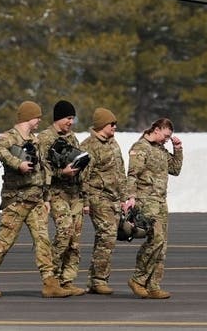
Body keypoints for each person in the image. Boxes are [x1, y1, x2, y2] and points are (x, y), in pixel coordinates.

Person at [0, 100, 72, 298]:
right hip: (17, 199)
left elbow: (42, 169)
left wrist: (45, 197)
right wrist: (17, 163)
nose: (39, 121)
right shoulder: (10, 137)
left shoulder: (34, 140)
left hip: (35, 199)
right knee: (5, 241)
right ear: (29, 117)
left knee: (43, 240)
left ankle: (49, 282)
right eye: (37, 117)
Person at [80, 107, 135, 295]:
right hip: (97, 196)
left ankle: (96, 279)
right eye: (112, 124)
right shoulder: (89, 145)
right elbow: (83, 176)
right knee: (107, 234)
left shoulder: (113, 143)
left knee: (107, 237)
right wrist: (86, 201)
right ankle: (98, 280)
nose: (115, 127)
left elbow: (120, 172)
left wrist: (124, 197)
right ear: (102, 124)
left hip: (113, 198)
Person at [126, 118, 183, 300]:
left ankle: (153, 285)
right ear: (157, 130)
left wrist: (178, 149)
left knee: (162, 245)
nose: (166, 139)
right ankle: (138, 279)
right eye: (165, 136)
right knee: (155, 240)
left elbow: (175, 169)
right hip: (146, 200)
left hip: (160, 201)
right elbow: (132, 175)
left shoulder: (160, 149)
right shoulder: (140, 148)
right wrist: (131, 197)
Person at [38, 99, 87, 296]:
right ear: (59, 118)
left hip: (74, 194)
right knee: (64, 233)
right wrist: (61, 174)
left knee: (75, 240)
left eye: (72, 119)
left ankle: (67, 280)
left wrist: (85, 197)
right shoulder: (43, 138)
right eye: (68, 118)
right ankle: (52, 280)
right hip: (56, 194)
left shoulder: (73, 138)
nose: (71, 122)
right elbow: (42, 170)